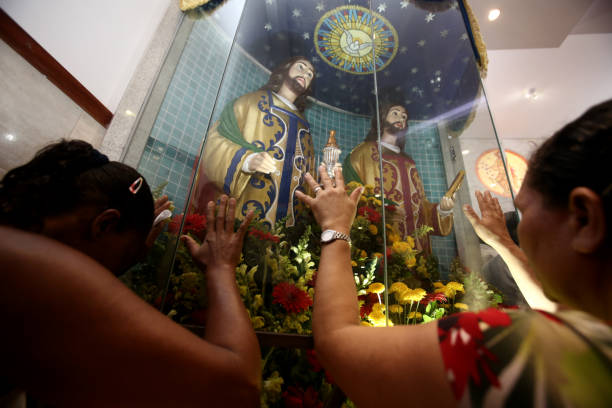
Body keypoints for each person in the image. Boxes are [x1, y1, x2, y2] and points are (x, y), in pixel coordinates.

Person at [296, 99, 612, 407]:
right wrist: (503, 242)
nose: (522, 230)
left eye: (525, 213)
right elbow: (550, 305)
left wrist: (336, 227)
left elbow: (337, 346)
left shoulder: (515, 348)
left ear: (584, 219)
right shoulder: (593, 336)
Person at [0, 140, 261, 407]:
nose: (106, 276)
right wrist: (221, 268)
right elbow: (238, 389)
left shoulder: (18, 248)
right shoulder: (37, 270)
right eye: (125, 256)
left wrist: (125, 257)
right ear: (104, 224)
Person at [193, 56, 316, 228]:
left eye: (310, 74)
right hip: (243, 211)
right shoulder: (250, 102)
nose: (305, 73)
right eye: (301, 67)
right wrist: (247, 160)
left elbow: (309, 173)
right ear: (286, 68)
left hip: (289, 226)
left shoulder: (306, 127)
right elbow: (214, 141)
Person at [343, 102, 454, 254]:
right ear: (382, 117)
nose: (401, 119)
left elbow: (421, 205)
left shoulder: (410, 162)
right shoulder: (363, 153)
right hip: (381, 243)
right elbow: (350, 191)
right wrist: (383, 209)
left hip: (415, 249)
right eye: (395, 113)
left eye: (404, 117)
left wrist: (442, 211)